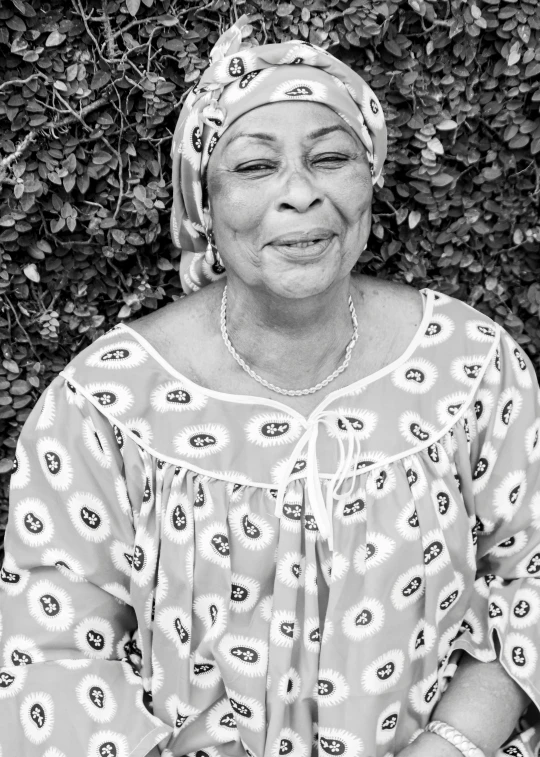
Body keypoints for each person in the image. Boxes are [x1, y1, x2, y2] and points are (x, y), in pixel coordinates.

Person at [1, 14, 539, 757]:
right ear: (204, 203)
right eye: (255, 167)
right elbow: (46, 650)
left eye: (331, 158)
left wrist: (450, 742)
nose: (301, 194)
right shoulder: (108, 404)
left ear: (371, 179)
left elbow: (530, 576)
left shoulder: (470, 365)